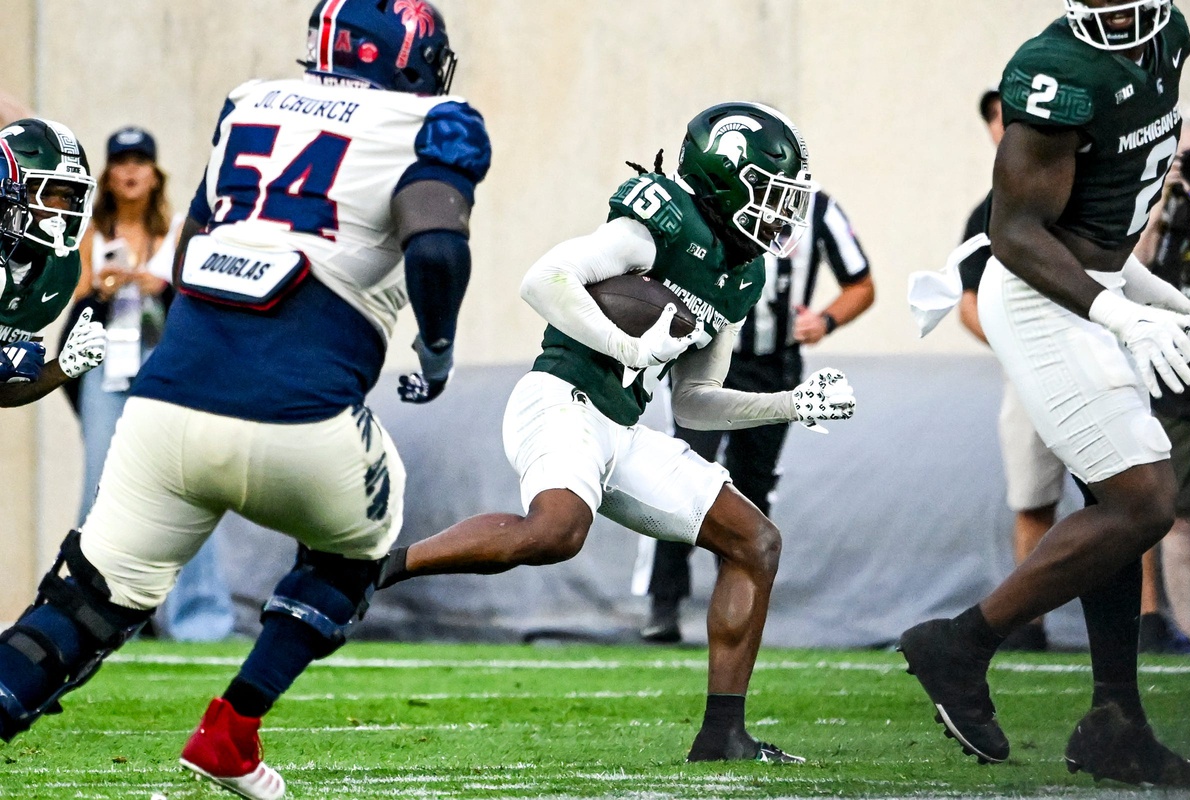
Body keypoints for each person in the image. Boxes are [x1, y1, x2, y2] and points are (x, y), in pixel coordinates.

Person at [0, 3, 489, 800]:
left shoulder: (249, 101)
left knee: (78, 607)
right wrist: (436, 350)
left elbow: (193, 246)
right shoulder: (437, 122)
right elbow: (435, 241)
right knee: (363, 535)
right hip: (304, 419)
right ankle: (234, 727)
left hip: (163, 406)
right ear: (407, 55)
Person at [376, 101, 857, 764]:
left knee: (756, 543)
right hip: (561, 399)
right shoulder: (658, 222)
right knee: (555, 531)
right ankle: (379, 568)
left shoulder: (742, 274)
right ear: (722, 178)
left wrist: (791, 405)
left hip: (623, 430)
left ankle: (723, 736)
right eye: (768, 196)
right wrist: (627, 349)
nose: (781, 215)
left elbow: (694, 404)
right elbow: (542, 280)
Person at [900, 0, 1190, 786]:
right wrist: (1115, 309)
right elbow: (1018, 232)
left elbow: (1103, 212)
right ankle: (959, 645)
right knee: (1143, 501)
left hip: (1094, 286)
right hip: (1039, 297)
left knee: (1117, 509)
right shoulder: (1054, 71)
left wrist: (1138, 288)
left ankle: (1115, 724)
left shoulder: (1169, 36)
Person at [637, 188, 874, 644]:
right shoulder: (711, 200)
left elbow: (862, 284)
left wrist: (824, 321)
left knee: (752, 485)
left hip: (772, 363)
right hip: (705, 357)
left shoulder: (819, 209)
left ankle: (741, 599)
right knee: (682, 471)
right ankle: (663, 602)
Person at [69, 125, 235, 643]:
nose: (131, 171)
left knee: (186, 484)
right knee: (102, 485)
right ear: (108, 175)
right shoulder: (91, 237)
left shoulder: (180, 231)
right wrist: (102, 289)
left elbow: (201, 305)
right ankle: (93, 615)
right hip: (106, 367)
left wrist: (159, 287)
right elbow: (72, 314)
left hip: (165, 363)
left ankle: (201, 620)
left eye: (141, 160)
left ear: (155, 172)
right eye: (121, 162)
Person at [959, 88, 1067, 653]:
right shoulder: (990, 211)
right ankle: (1029, 622)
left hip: (1094, 358)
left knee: (1129, 500)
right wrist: (1016, 346)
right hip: (1030, 374)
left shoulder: (1079, 194)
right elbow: (967, 302)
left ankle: (1144, 617)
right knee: (1032, 498)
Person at [1133, 104, 1190, 649]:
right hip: (1180, 382)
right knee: (1181, 519)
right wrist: (1161, 196)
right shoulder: (1164, 204)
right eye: (1185, 157)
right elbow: (1125, 270)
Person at [0, 118, 107, 406]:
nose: (58, 209)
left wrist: (63, 368)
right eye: (44, 193)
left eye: (67, 196)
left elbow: (3, 392)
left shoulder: (59, 270)